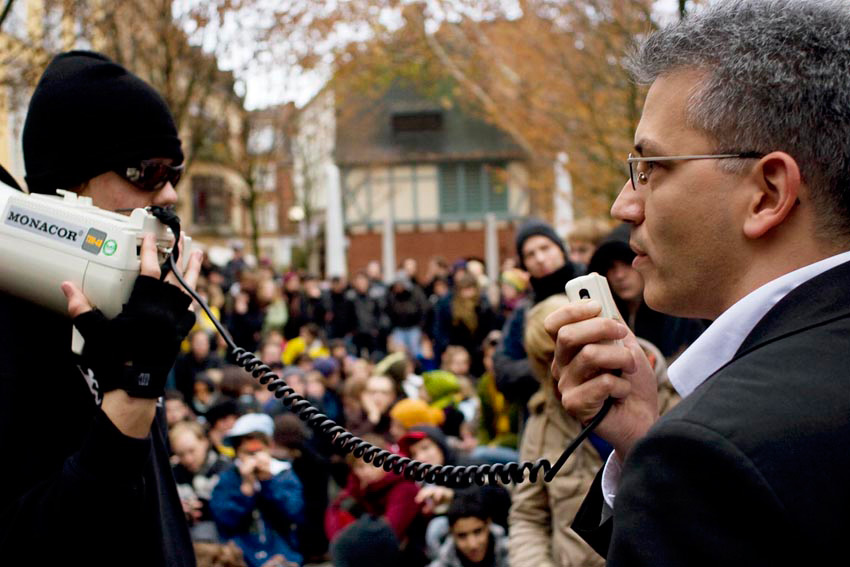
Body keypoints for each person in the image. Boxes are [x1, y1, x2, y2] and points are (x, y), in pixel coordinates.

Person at [545, 2, 850, 565]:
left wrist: (674, 464)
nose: (624, 205)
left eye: (650, 167)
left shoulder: (710, 453)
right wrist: (645, 446)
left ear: (767, 193)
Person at [0, 51, 202, 566]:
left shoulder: (127, 311)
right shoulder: (12, 324)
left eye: (174, 170)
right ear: (71, 188)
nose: (171, 192)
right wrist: (133, 395)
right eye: (147, 171)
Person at [493, 219, 581, 415]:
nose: (540, 258)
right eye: (530, 254)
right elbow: (503, 369)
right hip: (547, 415)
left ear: (560, 248)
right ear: (524, 264)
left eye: (545, 248)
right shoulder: (524, 312)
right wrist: (549, 367)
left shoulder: (590, 286)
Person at [209, 414, 305, 567]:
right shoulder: (227, 479)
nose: (254, 459)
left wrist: (268, 483)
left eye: (258, 451)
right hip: (242, 558)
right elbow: (224, 520)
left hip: (283, 555)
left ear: (269, 447)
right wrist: (246, 491)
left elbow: (293, 513)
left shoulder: (283, 474)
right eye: (247, 453)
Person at [428, 489, 509, 567]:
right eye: (462, 536)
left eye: (477, 532)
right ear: (451, 533)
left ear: (488, 524)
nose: (472, 545)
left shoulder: (514, 555)